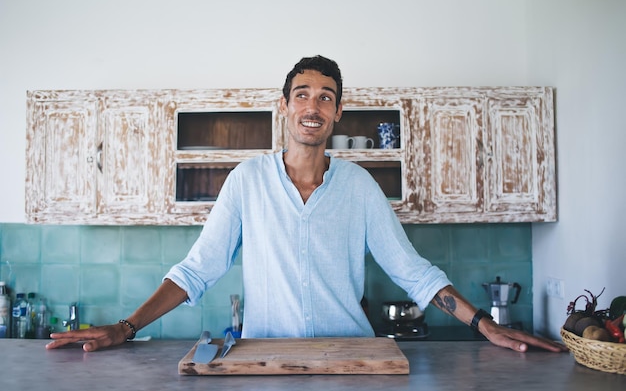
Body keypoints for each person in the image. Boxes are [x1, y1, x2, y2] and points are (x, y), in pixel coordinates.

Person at [46, 55, 567, 353]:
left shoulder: (360, 187)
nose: (312, 106)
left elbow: (413, 271)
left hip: (351, 358)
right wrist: (125, 327)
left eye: (324, 96)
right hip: (263, 362)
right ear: (285, 106)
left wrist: (485, 325)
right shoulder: (247, 181)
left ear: (338, 112)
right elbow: (198, 269)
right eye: (302, 94)